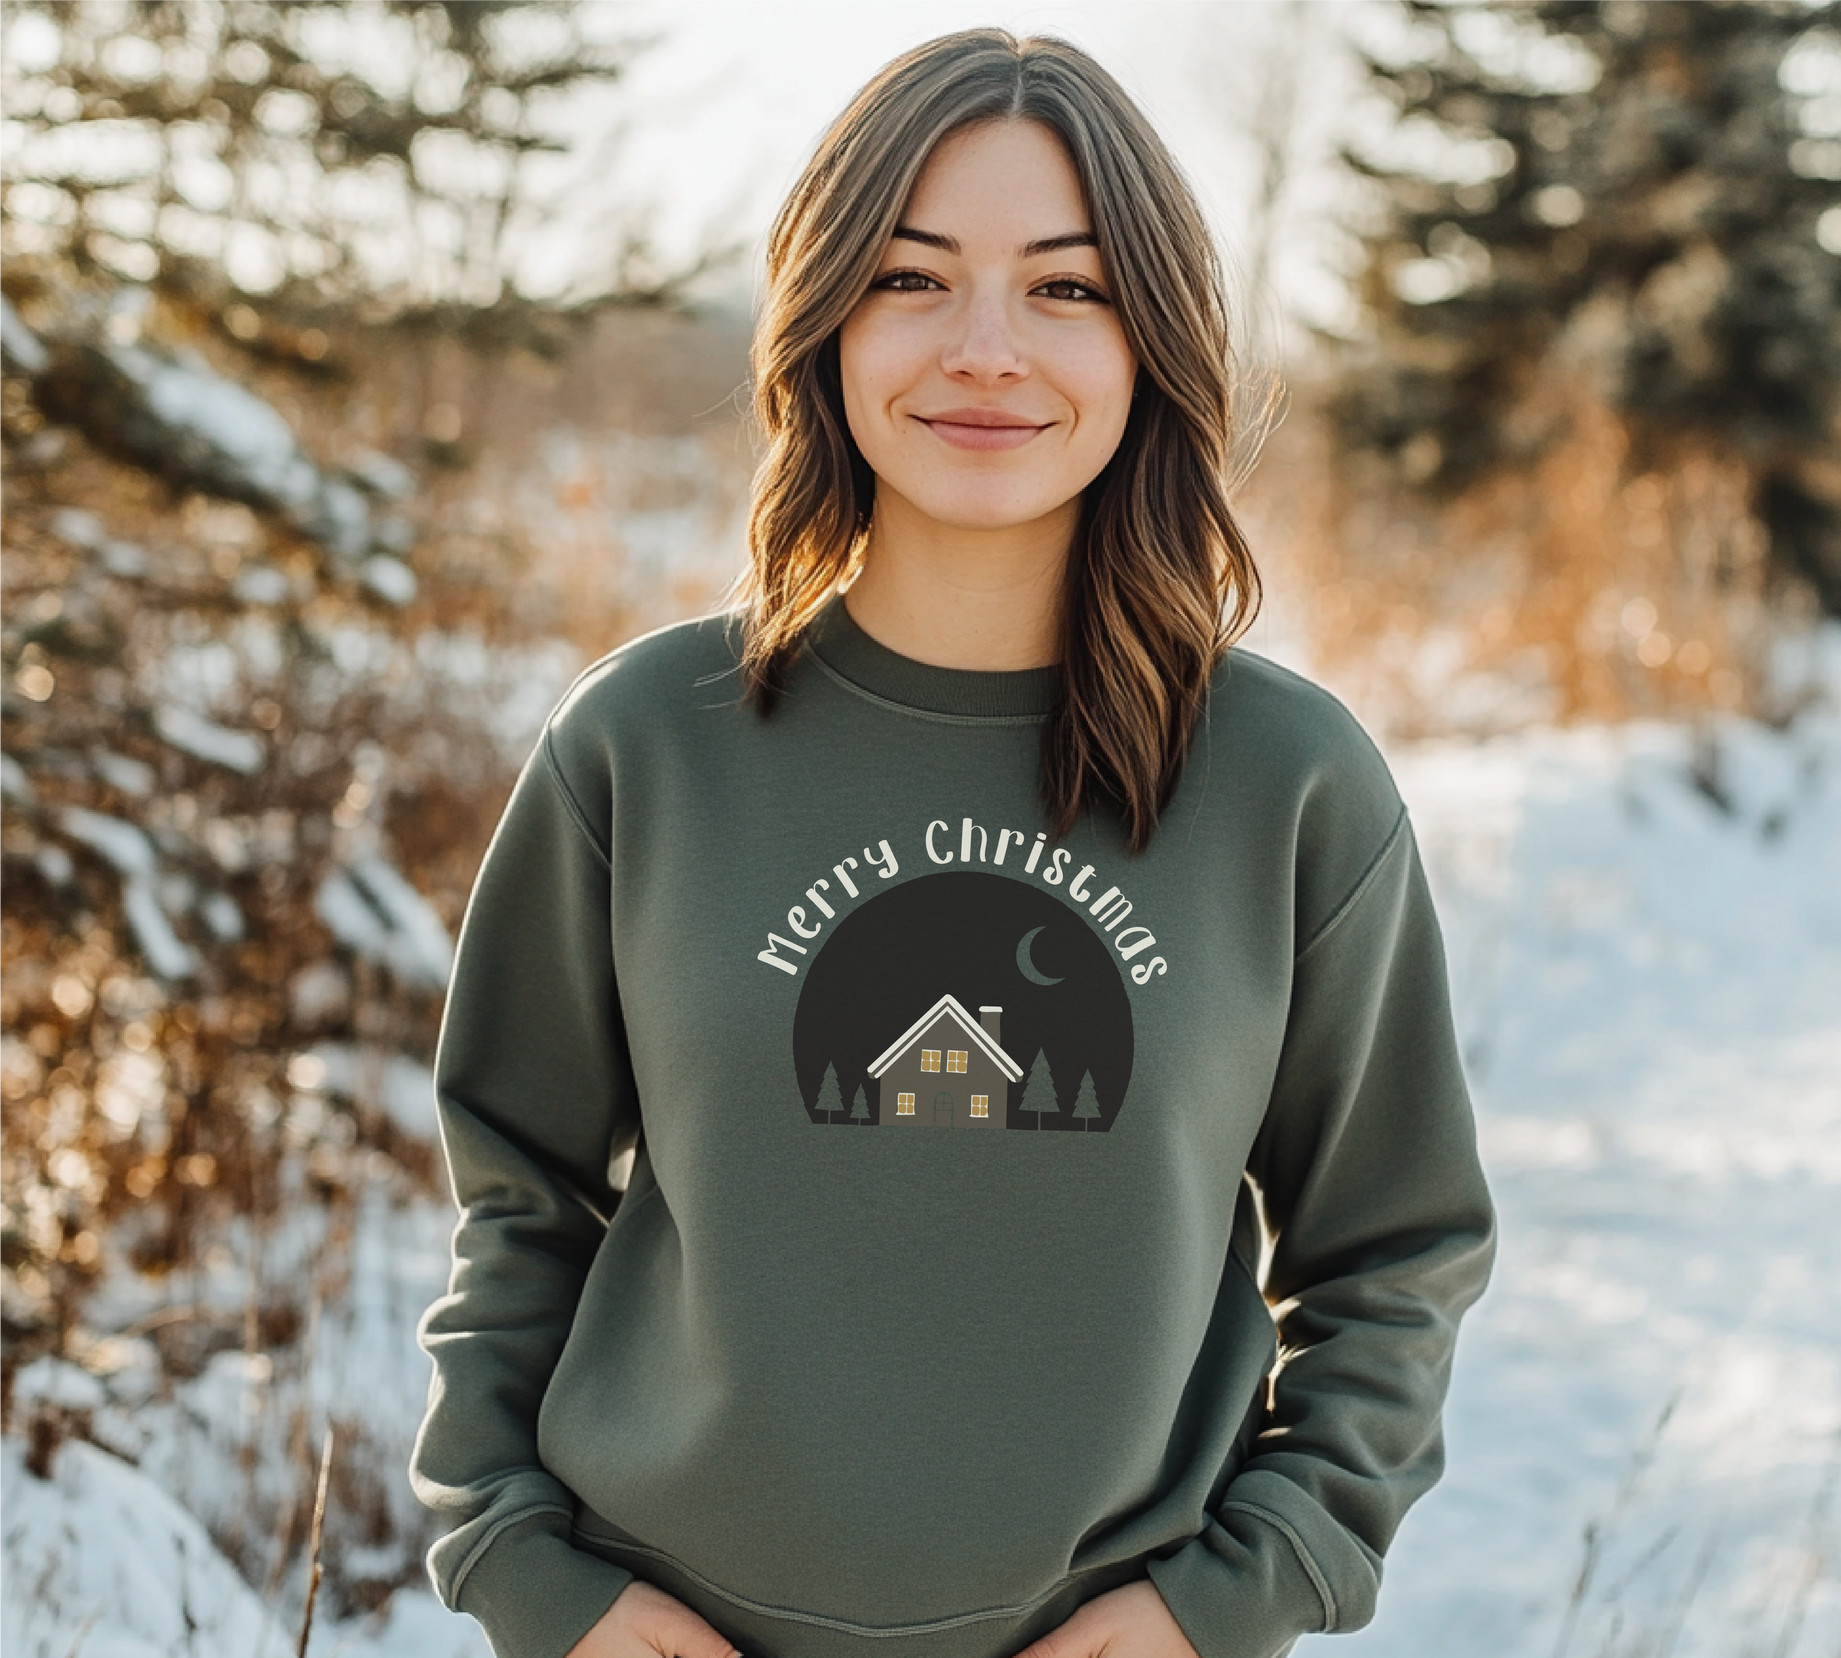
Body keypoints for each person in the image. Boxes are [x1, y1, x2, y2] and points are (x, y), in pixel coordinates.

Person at [410, 29, 1494, 1658]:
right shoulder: (644, 743)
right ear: (825, 322)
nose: (986, 347)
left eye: (1064, 288)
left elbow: (1394, 1244)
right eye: (914, 279)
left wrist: (1240, 1589)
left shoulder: (1284, 781)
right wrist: (525, 1565)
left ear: (1151, 342)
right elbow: (519, 1192)